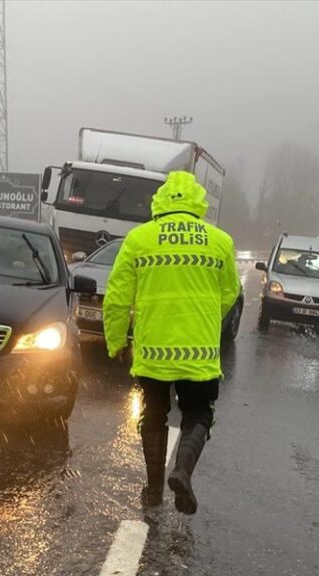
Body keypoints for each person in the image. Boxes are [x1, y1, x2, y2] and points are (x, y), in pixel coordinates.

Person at [102, 171, 240, 514]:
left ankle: (152, 489)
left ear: (159, 201)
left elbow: (117, 298)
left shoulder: (139, 239)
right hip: (199, 352)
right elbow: (229, 294)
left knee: (153, 415)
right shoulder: (220, 241)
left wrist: (116, 340)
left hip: (153, 350)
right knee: (199, 414)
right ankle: (182, 470)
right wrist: (205, 320)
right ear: (197, 201)